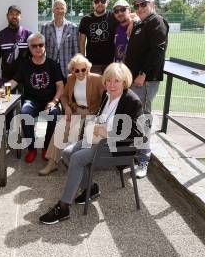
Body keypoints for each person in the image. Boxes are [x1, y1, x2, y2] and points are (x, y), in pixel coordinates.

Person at [39, 62, 143, 225]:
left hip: (115, 147)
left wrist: (107, 133)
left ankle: (64, 207)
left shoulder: (132, 101)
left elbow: (136, 134)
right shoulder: (107, 96)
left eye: (116, 81)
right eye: (108, 81)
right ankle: (91, 188)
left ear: (124, 82)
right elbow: (101, 117)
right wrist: (94, 126)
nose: (111, 85)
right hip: (97, 140)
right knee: (67, 153)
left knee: (77, 158)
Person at [0, 32, 63, 163]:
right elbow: (14, 82)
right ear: (29, 48)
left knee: (55, 114)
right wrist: (3, 89)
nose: (38, 48)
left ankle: (46, 149)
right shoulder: (24, 65)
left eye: (41, 45)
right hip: (30, 101)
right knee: (25, 112)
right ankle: (31, 149)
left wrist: (54, 101)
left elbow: (60, 86)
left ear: (44, 46)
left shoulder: (53, 64)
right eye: (34, 46)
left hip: (49, 101)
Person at [125, 0, 169, 179]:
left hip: (145, 80)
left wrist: (143, 73)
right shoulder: (141, 24)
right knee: (136, 118)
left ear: (152, 4)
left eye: (144, 4)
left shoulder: (156, 21)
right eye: (137, 5)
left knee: (144, 119)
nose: (140, 8)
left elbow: (158, 51)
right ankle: (137, 155)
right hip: (135, 80)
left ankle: (143, 160)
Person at [38, 54, 104, 176]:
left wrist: (97, 115)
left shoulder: (97, 79)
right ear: (72, 70)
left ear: (88, 68)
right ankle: (51, 164)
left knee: (75, 131)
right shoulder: (71, 78)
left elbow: (106, 98)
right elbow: (63, 95)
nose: (80, 73)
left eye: (83, 69)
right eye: (77, 70)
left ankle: (73, 165)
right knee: (60, 128)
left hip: (91, 115)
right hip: (75, 112)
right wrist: (67, 107)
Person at [79, 0, 118, 74]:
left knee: (109, 87)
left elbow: (127, 15)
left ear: (107, 3)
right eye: (96, 1)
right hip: (92, 64)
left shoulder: (114, 16)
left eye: (103, 1)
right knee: (94, 87)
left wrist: (132, 22)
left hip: (110, 63)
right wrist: (83, 60)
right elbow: (82, 41)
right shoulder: (86, 19)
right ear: (93, 3)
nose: (99, 3)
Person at [0, 5, 32, 82]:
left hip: (24, 77)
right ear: (7, 16)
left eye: (17, 14)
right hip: (6, 78)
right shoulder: (0, 35)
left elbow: (33, 56)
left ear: (21, 17)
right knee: (7, 94)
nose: (14, 16)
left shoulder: (28, 34)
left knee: (24, 95)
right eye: (11, 14)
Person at [40, 0, 79, 80]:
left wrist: (75, 67)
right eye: (57, 8)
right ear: (53, 10)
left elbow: (75, 50)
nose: (59, 11)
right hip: (50, 68)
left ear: (66, 10)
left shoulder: (73, 27)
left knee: (67, 92)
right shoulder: (45, 27)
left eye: (62, 8)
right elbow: (42, 49)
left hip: (67, 69)